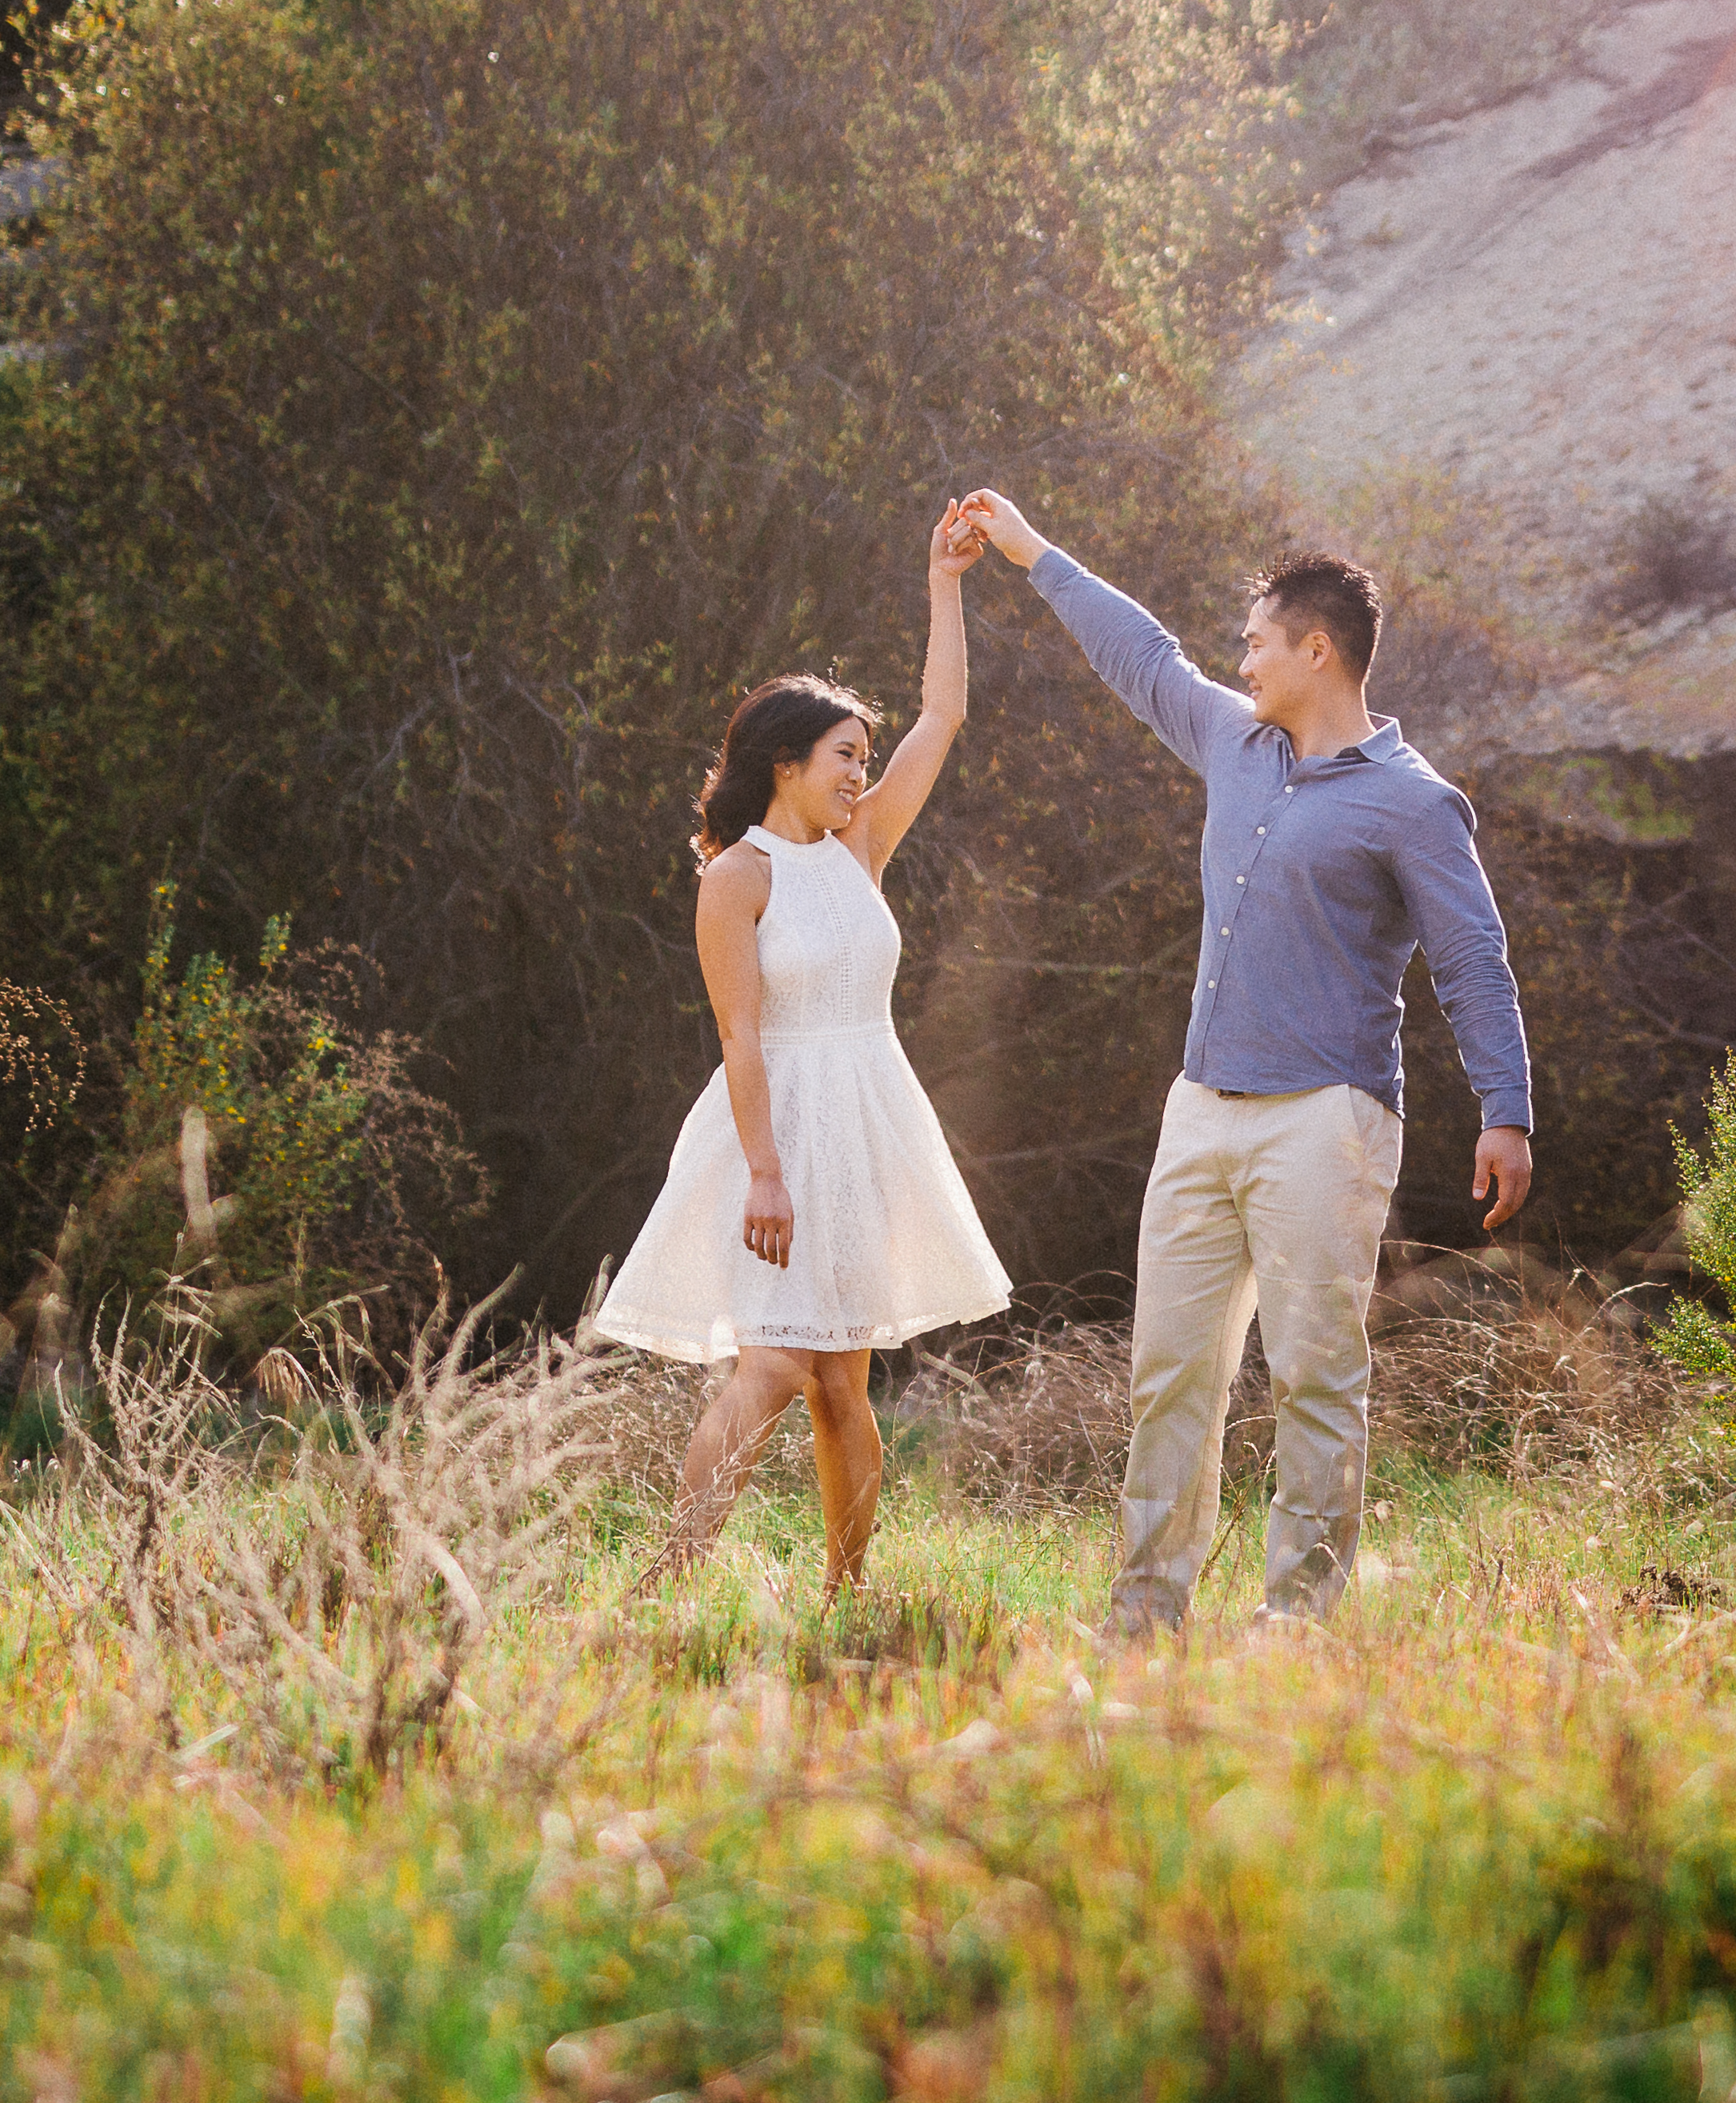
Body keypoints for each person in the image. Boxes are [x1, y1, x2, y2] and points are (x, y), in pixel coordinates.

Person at [956, 488, 1533, 1638]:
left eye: (1260, 642)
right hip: (1201, 1111)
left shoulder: (1416, 806)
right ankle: (1144, 1620)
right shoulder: (1234, 740)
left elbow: (1474, 960)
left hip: (1327, 1120)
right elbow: (1143, 653)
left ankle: (1297, 1627)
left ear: (1318, 651)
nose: (1243, 661)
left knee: (1316, 1380)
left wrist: (1505, 1109)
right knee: (1171, 1376)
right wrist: (1030, 552)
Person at [592, 499, 1014, 1592]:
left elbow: (946, 714)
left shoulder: (861, 846)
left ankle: (846, 1596)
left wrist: (945, 582)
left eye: (865, 758)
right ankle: (668, 1580)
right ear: (784, 762)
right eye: (843, 755)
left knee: (842, 1385)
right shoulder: (737, 878)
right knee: (773, 1361)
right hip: (771, 1141)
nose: (860, 775)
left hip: (866, 1128)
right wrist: (766, 1177)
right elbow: (740, 1037)